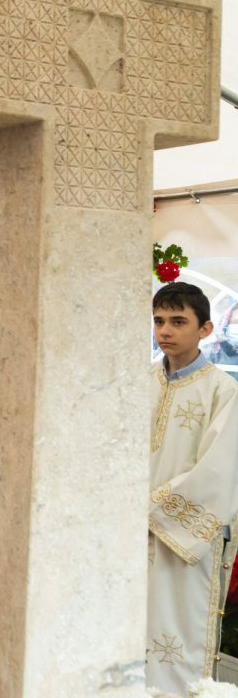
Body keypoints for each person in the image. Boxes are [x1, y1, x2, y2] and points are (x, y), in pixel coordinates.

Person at [146, 282, 238, 694]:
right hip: (123, 534)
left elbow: (221, 468)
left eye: (178, 321)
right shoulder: (139, 382)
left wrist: (150, 508)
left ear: (205, 329)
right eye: (160, 321)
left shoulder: (224, 391)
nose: (165, 331)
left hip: (181, 538)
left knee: (173, 632)